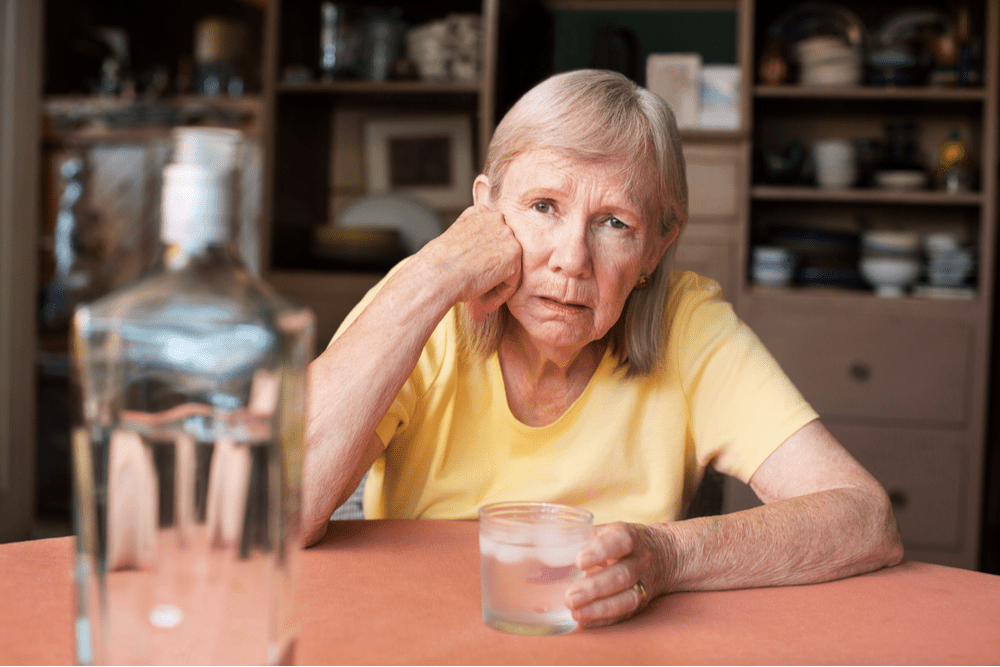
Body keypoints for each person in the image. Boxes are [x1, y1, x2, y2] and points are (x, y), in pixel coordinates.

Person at [302, 69, 904, 629]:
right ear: (485, 209)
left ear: (656, 249)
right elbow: (277, 511)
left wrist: (669, 555)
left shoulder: (687, 325)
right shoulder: (420, 304)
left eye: (615, 222)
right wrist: (430, 275)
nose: (572, 258)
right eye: (543, 207)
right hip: (417, 629)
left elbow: (864, 520)